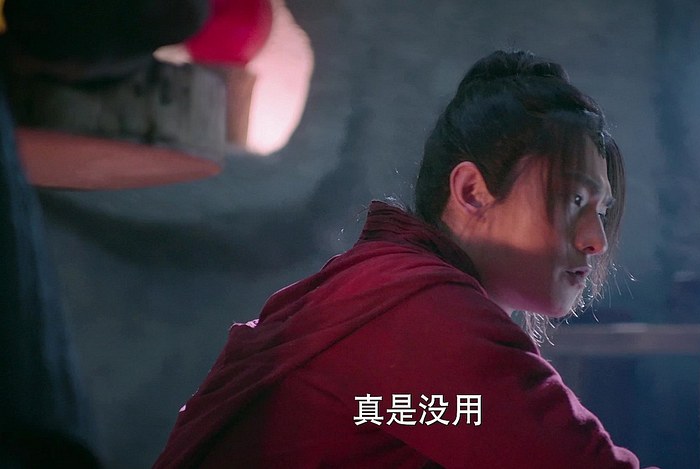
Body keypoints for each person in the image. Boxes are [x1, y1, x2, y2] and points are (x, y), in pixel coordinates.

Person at [154, 49, 651, 468]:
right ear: (471, 191)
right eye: (573, 200)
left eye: (601, 211)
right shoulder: (423, 313)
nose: (596, 241)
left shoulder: (387, 286)